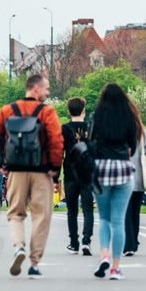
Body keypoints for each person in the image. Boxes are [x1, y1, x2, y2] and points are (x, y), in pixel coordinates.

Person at [0, 74, 63, 277]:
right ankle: (34, 263)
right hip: (41, 171)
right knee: (41, 216)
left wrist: (1, 165)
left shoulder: (7, 110)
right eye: (46, 88)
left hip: (15, 170)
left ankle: (19, 247)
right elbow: (56, 140)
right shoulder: (46, 112)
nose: (48, 92)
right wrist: (55, 168)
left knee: (15, 213)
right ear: (35, 89)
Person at [89, 84, 143, 281]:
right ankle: (115, 267)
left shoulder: (98, 115)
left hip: (101, 167)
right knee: (118, 220)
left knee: (104, 218)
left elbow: (91, 139)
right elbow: (133, 144)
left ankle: (104, 254)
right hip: (122, 166)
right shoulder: (129, 116)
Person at [62, 97, 95, 255]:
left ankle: (73, 242)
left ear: (69, 111)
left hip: (70, 172)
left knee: (72, 210)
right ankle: (86, 241)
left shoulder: (65, 128)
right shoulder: (91, 127)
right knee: (88, 209)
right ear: (84, 110)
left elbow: (59, 151)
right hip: (87, 172)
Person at [123, 116, 146, 255]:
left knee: (126, 211)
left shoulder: (119, 130)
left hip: (124, 176)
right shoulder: (143, 131)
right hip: (139, 177)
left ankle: (128, 244)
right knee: (135, 211)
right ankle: (134, 241)